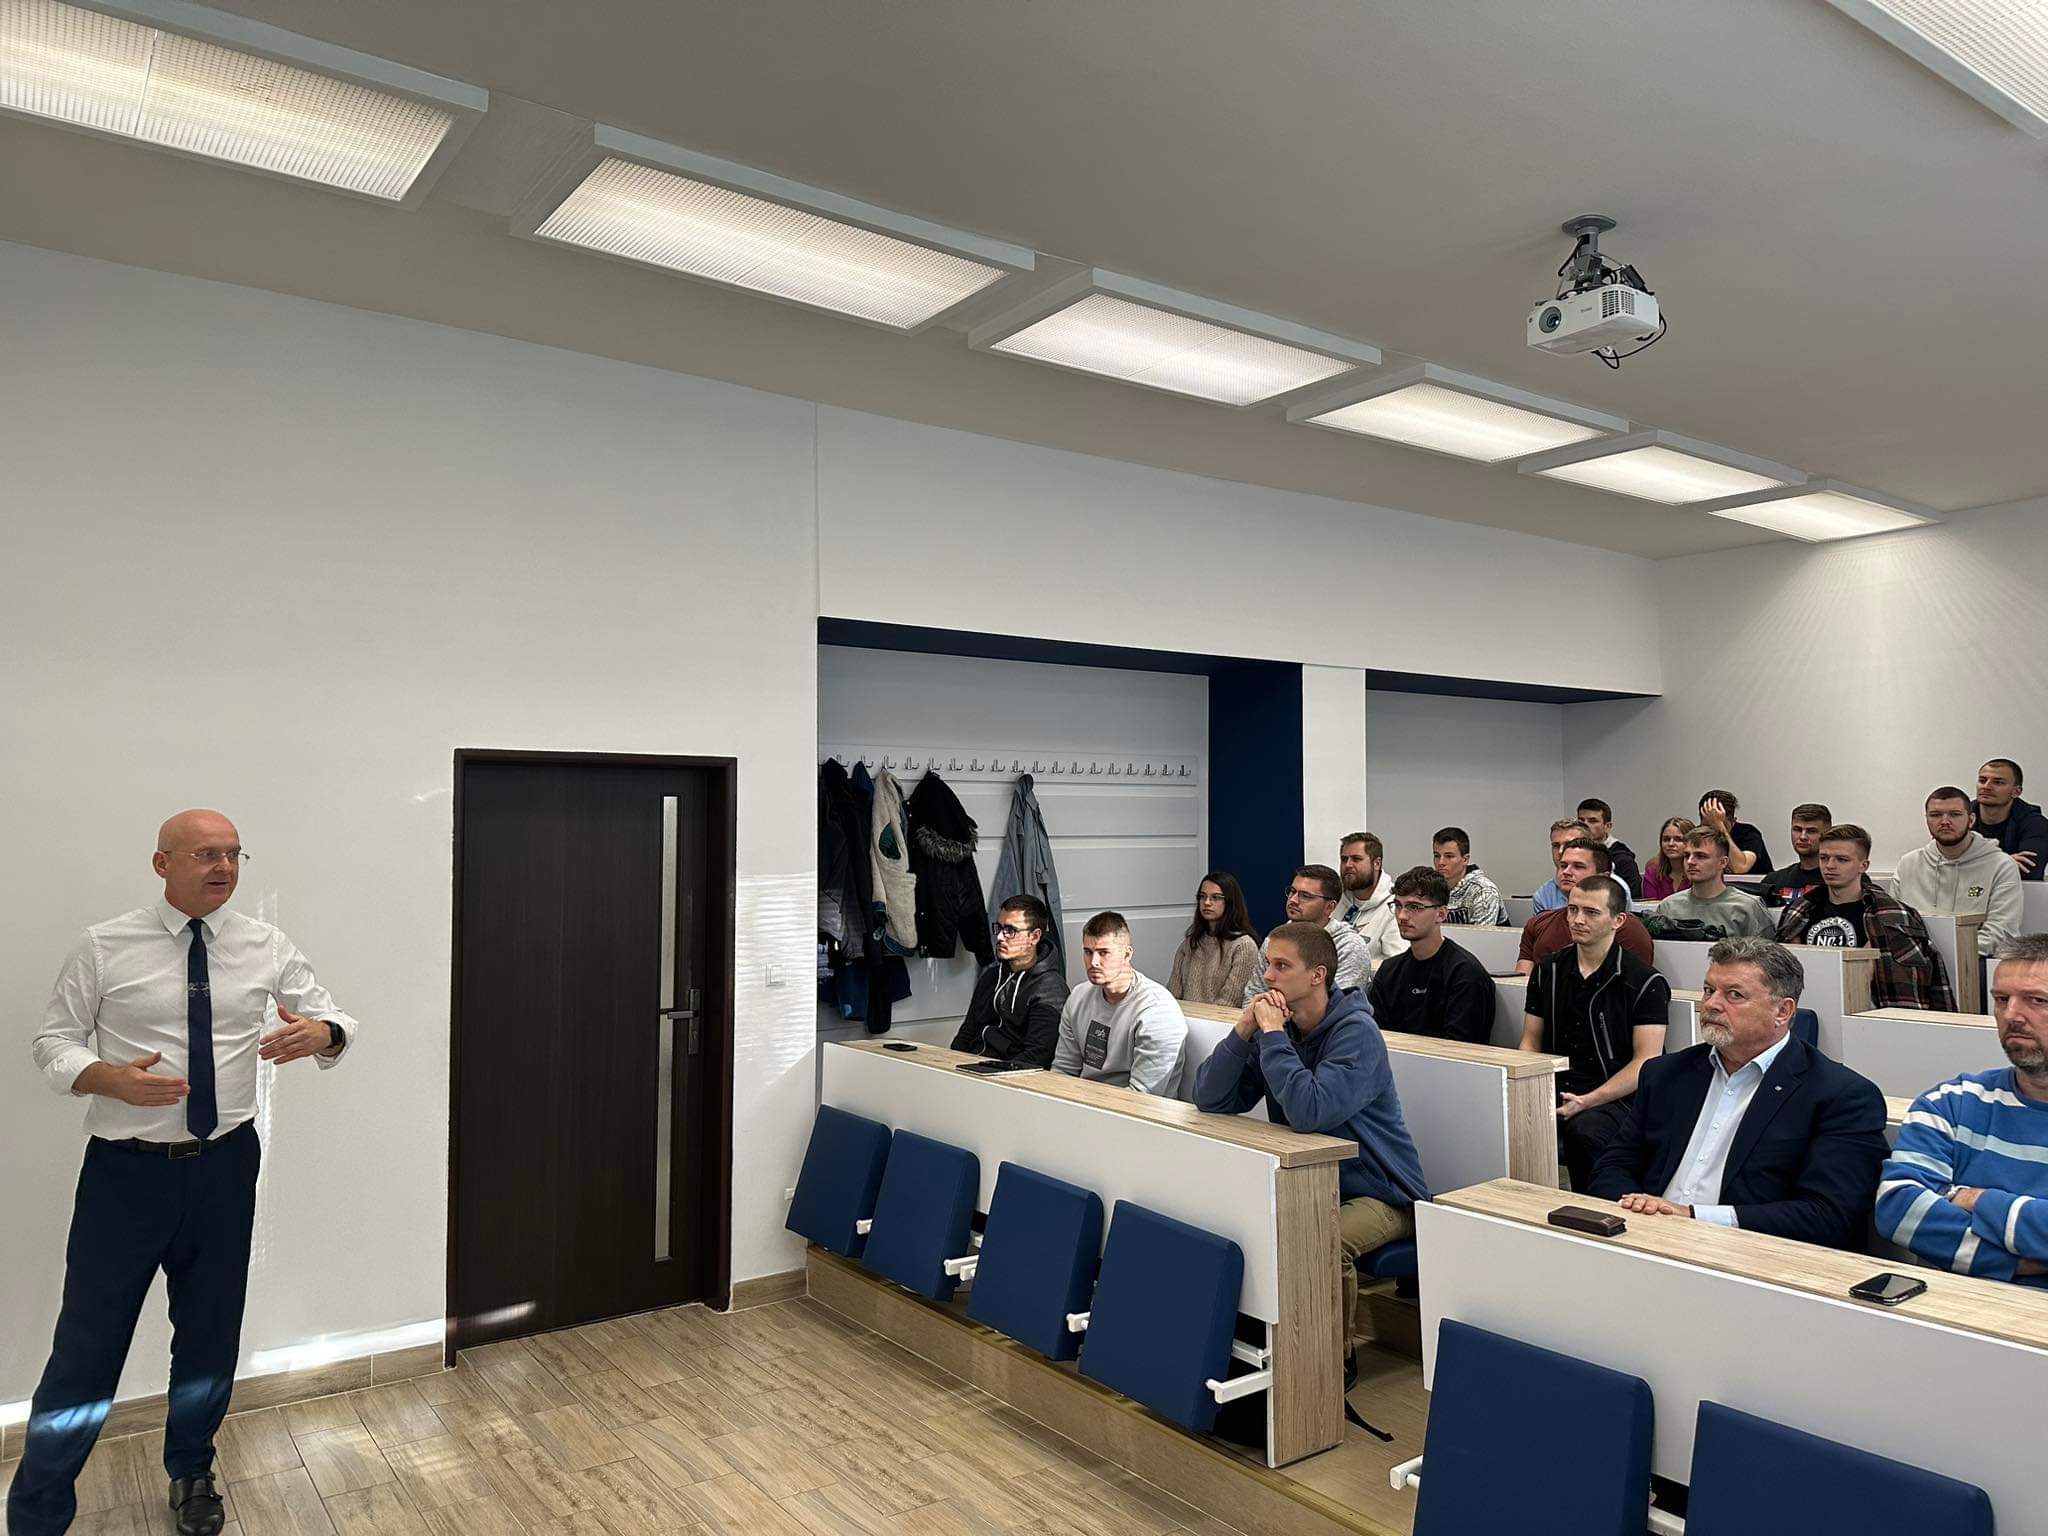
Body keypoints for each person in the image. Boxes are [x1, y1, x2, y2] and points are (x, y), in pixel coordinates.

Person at [15, 811, 359, 1536]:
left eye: (234, 854)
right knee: (87, 1347)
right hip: (125, 1174)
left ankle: (192, 1471)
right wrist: (104, 1077)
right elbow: (53, 1042)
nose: (224, 867)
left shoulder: (265, 944)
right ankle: (39, 1509)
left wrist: (323, 1034)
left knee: (209, 1335)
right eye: (206, 854)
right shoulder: (104, 946)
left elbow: (332, 1017)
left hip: (225, 1167)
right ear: (161, 863)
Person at [1194, 921, 1428, 1385]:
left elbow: (1310, 1112)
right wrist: (1244, 1029)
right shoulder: (1277, 1030)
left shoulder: (1356, 1034)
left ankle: (1333, 1360)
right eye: (1268, 965)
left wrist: (1272, 1036)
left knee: (1323, 1241)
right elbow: (1211, 1097)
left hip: (1384, 1193)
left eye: (1282, 966)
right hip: (1313, 1183)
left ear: (1318, 975)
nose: (1268, 976)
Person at [1586, 938, 1888, 1247]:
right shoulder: (1666, 1073)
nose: (1711, 1004)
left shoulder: (1841, 1096)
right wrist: (1637, 1208)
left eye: (1734, 995)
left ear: (1782, 1011)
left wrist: (1692, 1217)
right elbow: (1613, 1164)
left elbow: (1827, 1215)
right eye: (1708, 990)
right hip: (1644, 1239)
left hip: (1753, 1253)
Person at [1877, 935, 2048, 1285]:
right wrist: (2013, 1263)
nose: (2011, 1015)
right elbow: (1898, 1208)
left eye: (2037, 1000)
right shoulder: (1951, 1103)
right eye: (2001, 999)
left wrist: (1979, 1200)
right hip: (1961, 1307)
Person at [1520, 875, 1670, 1190]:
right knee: (1509, 1120)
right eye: (1572, 910)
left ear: (1618, 920)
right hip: (1558, 1086)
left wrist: (1587, 1101)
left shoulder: (1644, 981)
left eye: (1591, 912)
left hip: (1620, 1097)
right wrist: (1527, 1094)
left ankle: (1593, 1210)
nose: (1578, 920)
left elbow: (1645, 1062)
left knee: (1585, 1131)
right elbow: (1531, 1041)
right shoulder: (1548, 970)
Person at [1776, 825, 1956, 1011]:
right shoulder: (1799, 911)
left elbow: (1919, 984)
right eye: (1824, 858)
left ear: (1863, 866)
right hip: (1809, 1005)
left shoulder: (1892, 916)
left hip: (1870, 1012)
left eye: (1842, 859)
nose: (1830, 865)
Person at [1053, 912, 1187, 1095]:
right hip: (1081, 1103)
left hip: (1137, 1109)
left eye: (1104, 953)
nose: (1094, 962)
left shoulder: (1157, 1011)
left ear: (1127, 954)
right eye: (1088, 952)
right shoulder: (1078, 996)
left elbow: (1141, 1096)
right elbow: (1063, 1070)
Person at [1367, 868, 1497, 1045]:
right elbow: (1376, 1037)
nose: (1402, 916)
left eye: (1414, 907)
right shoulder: (1389, 971)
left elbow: (1460, 1048)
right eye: (1398, 905)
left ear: (1441, 914)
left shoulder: (1465, 974)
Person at [1893, 786, 2024, 958]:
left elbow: (2001, 932)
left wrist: (1947, 955)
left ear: (1971, 820)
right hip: (1916, 962)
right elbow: (1894, 924)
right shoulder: (1908, 864)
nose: (1945, 821)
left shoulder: (2001, 865)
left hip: (1974, 960)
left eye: (1955, 814)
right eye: (1936, 815)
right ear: (1926, 819)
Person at [951, 894, 1067, 1066]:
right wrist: (952, 1066)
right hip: (974, 1067)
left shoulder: (1050, 989)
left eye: (1010, 931)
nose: (999, 937)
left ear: (1034, 937)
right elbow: (965, 1035)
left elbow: (1037, 1057)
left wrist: (986, 1072)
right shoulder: (991, 976)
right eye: (999, 928)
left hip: (1009, 1075)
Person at [1517, 840, 1655, 974]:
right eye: (1563, 865)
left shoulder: (1624, 927)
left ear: (1604, 876)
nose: (1566, 872)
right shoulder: (1538, 923)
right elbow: (1522, 981)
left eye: (1578, 866)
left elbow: (1631, 981)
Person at [1242, 866, 1372, 1004]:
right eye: (1292, 891)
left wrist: (1274, 1010)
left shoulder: (1349, 946)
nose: (1293, 900)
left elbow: (1338, 1005)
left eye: (1305, 896)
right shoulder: (1276, 938)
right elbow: (1252, 995)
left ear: (1330, 907)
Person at [1653, 828, 1775, 938]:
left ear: (1723, 862)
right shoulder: (1668, 907)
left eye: (1700, 856)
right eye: (1686, 855)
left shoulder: (1748, 907)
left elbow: (1767, 954)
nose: (1690, 862)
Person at [1166, 872, 1261, 1007]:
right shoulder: (1190, 943)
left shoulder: (1244, 946)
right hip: (1183, 1017)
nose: (1207, 903)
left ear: (1230, 902)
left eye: (1215, 897)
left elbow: (1228, 1003)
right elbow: (1172, 995)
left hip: (1220, 1018)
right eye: (1202, 897)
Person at [1337, 832, 1408, 966]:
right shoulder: (1335, 899)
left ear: (1377, 863)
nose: (1348, 865)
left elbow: (1398, 965)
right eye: (1344, 859)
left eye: (1356, 859)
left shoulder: (1396, 907)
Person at [1971, 758, 2048, 881]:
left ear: (2016, 792)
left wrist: (1969, 865)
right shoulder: (1960, 817)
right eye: (1982, 780)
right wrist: (2006, 861)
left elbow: (2029, 871)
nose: (1986, 787)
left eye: (1998, 782)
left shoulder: (2036, 824)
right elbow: (1944, 865)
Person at [1760, 804, 1832, 908]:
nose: (1803, 837)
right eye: (1797, 829)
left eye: (1811, 831)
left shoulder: (1842, 880)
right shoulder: (1773, 881)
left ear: (1827, 833)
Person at [1431, 827, 1507, 927]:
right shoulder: (1431, 888)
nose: (1441, 862)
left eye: (1449, 856)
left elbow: (1480, 935)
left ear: (1465, 860)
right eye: (1437, 856)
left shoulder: (1484, 891)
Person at [1696, 789, 1772, 876]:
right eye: (1709, 825)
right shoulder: (1696, 835)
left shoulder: (1749, 833)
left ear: (1733, 822)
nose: (1713, 831)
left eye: (1721, 824)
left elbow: (1740, 868)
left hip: (1756, 884)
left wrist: (1720, 828)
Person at [1577, 797, 1642, 897]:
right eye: (1581, 820)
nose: (1585, 825)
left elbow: (1633, 899)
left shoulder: (1623, 860)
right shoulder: (1572, 852)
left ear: (1607, 826)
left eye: (1592, 821)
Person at [1531, 819, 1593, 912]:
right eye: (1556, 845)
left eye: (1569, 844)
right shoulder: (1543, 896)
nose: (1560, 851)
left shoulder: (1612, 887)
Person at [1641, 816, 1693, 902]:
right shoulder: (1653, 873)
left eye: (1678, 839)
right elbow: (1650, 908)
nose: (1671, 844)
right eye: (1666, 839)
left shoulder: (1698, 873)